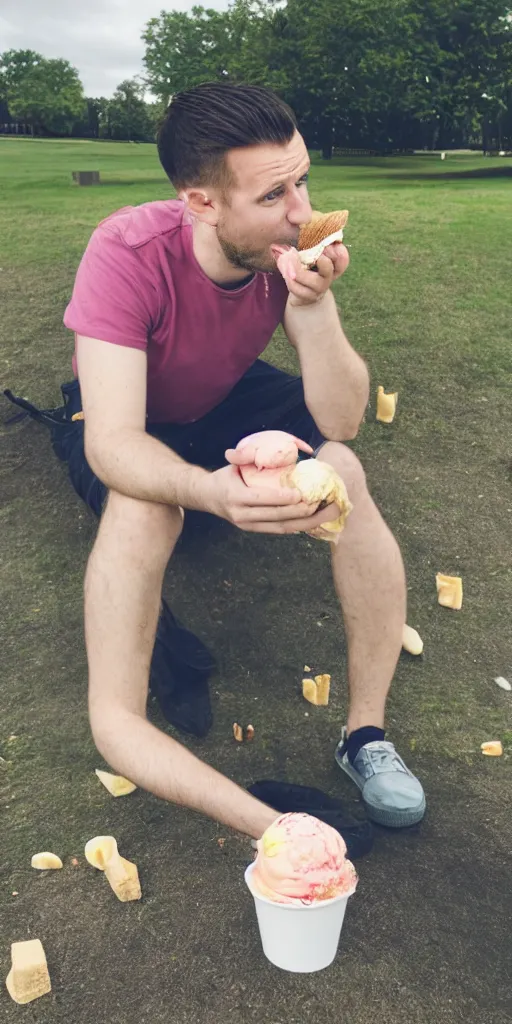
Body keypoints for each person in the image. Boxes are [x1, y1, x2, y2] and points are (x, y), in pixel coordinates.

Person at [59, 82, 426, 837]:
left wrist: (315, 308)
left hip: (228, 394)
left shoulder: (285, 255)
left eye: (303, 181)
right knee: (147, 502)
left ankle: (367, 735)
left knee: (345, 473)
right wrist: (209, 492)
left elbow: (344, 420)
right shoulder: (127, 252)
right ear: (201, 203)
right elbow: (113, 441)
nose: (302, 212)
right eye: (273, 195)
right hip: (138, 411)